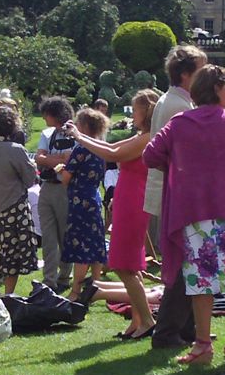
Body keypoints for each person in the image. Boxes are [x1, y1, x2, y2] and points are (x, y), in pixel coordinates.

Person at [143, 64, 225, 365]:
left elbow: (150, 155)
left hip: (193, 213)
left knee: (200, 281)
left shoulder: (180, 123)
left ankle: (203, 345)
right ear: (218, 89)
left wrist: (183, 165)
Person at [65, 90, 160, 339]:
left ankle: (147, 320)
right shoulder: (141, 136)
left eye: (135, 109)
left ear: (145, 112)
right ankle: (137, 322)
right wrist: (81, 136)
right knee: (130, 266)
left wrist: (77, 136)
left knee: (123, 265)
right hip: (128, 199)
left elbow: (113, 155)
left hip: (134, 201)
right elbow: (109, 147)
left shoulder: (149, 137)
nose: (132, 113)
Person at [143, 44, 208, 349]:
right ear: (185, 75)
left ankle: (187, 329)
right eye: (200, 70)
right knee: (184, 266)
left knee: (188, 262)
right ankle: (168, 332)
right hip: (178, 196)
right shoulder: (178, 107)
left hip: (172, 193)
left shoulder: (174, 101)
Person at [0, 108, 39, 295]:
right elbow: (31, 180)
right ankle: (9, 296)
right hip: (13, 210)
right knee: (13, 256)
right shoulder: (16, 150)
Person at [57, 108, 109, 302]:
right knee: (96, 244)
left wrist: (61, 169)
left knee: (82, 247)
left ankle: (76, 291)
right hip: (94, 197)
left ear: (84, 126)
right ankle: (95, 287)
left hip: (80, 201)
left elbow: (66, 178)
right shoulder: (100, 146)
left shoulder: (80, 148)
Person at [34, 96, 76, 292]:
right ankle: (49, 279)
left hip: (64, 188)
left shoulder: (73, 133)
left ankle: (64, 276)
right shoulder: (47, 133)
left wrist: (50, 159)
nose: (44, 118)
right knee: (48, 236)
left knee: (64, 234)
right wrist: (58, 159)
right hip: (47, 186)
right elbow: (39, 158)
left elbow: (71, 161)